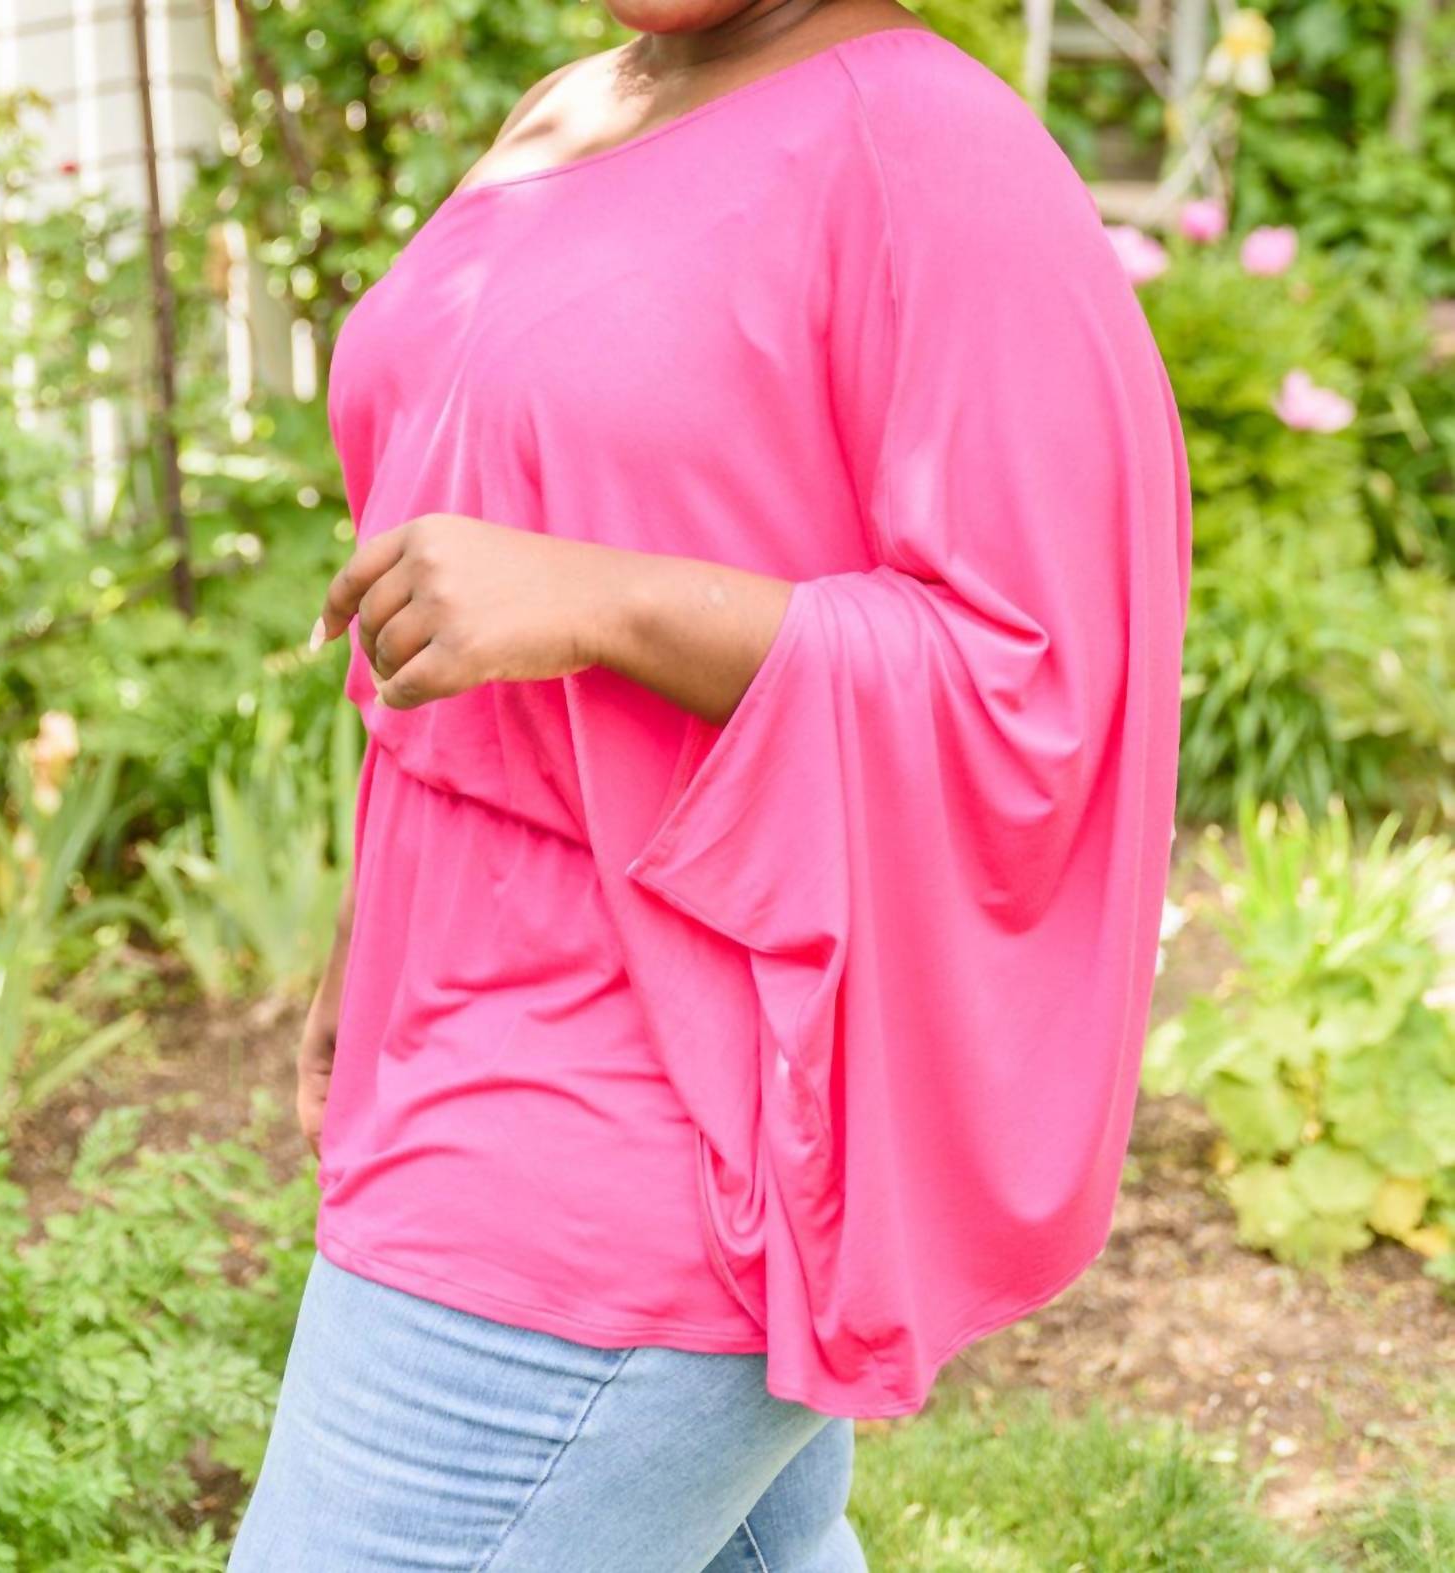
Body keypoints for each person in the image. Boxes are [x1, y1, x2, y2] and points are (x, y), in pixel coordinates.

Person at [226, 0, 1192, 1567]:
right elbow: (459, 543)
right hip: (461, 1015)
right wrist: (372, 926)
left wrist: (608, 600)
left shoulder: (932, 149)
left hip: (654, 1095)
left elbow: (1034, 678)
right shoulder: (575, 109)